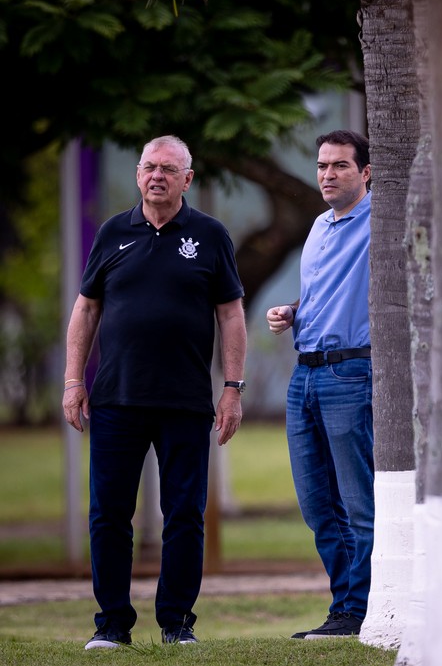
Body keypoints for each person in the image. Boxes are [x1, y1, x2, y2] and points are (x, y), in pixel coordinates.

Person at [62, 134, 247, 649]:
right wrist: (74, 380)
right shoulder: (112, 233)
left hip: (186, 402)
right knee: (109, 514)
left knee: (184, 513)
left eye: (168, 168)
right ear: (139, 174)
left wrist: (232, 388)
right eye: (149, 167)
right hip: (116, 399)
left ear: (187, 178)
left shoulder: (210, 236)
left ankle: (176, 623)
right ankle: (113, 626)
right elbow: (86, 309)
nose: (156, 176)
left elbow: (230, 314)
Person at [266, 129, 374, 638]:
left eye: (341, 166)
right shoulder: (317, 226)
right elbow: (322, 293)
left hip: (350, 373)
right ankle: (342, 608)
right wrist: (293, 310)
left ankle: (360, 610)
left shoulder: (380, 219)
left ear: (366, 173)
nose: (328, 175)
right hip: (304, 373)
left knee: (357, 503)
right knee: (317, 505)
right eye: (322, 166)